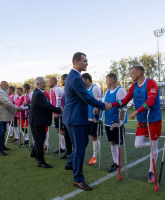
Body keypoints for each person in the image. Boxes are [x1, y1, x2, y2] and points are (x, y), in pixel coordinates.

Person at [63, 52, 111, 191]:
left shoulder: (74, 77)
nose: (87, 63)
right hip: (75, 118)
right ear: (77, 62)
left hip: (74, 117)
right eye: (85, 60)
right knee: (79, 147)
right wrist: (103, 106)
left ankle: (71, 163)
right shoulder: (76, 78)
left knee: (83, 143)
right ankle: (78, 178)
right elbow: (86, 98)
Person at [111, 66, 162, 182]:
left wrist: (136, 112)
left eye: (132, 73)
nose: (130, 75)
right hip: (142, 121)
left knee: (154, 149)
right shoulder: (134, 86)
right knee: (138, 144)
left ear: (139, 73)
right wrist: (111, 105)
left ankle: (151, 172)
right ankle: (151, 144)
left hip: (153, 120)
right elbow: (124, 100)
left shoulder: (151, 83)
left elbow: (151, 101)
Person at [29, 77, 62, 168]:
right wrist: (59, 110)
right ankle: (41, 161)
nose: (45, 84)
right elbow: (47, 106)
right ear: (38, 84)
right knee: (40, 141)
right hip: (37, 121)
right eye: (43, 83)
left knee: (40, 139)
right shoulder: (38, 94)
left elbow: (47, 105)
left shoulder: (39, 93)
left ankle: (34, 153)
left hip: (39, 121)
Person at [0, 81, 23, 156]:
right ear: (1, 85)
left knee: (2, 132)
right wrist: (17, 108)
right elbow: (7, 103)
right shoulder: (0, 92)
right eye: (6, 85)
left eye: (8, 85)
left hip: (1, 116)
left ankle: (2, 147)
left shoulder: (2, 91)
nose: (7, 87)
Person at [102, 73, 127, 172]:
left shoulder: (120, 91)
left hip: (116, 123)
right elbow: (104, 104)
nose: (106, 82)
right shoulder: (107, 91)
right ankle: (115, 163)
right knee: (112, 143)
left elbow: (123, 107)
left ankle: (118, 163)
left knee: (118, 143)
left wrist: (120, 122)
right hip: (108, 122)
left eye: (107, 80)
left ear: (112, 81)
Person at [81, 73, 102, 165]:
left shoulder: (95, 88)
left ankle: (95, 156)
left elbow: (98, 103)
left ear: (87, 80)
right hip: (86, 118)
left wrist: (96, 117)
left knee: (94, 137)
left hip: (94, 119)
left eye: (82, 80)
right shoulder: (84, 89)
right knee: (85, 137)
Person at [49, 77, 65, 154]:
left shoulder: (58, 89)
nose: (48, 83)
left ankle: (63, 147)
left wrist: (57, 112)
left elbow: (58, 102)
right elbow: (52, 101)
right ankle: (61, 146)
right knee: (58, 129)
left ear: (53, 82)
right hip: (55, 112)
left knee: (62, 130)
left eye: (50, 82)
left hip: (60, 113)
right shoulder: (51, 89)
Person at [59, 74, 72, 159]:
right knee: (66, 135)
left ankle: (72, 153)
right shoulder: (65, 90)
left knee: (71, 136)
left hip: (70, 117)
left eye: (62, 80)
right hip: (65, 116)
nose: (61, 81)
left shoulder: (70, 89)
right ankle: (69, 152)